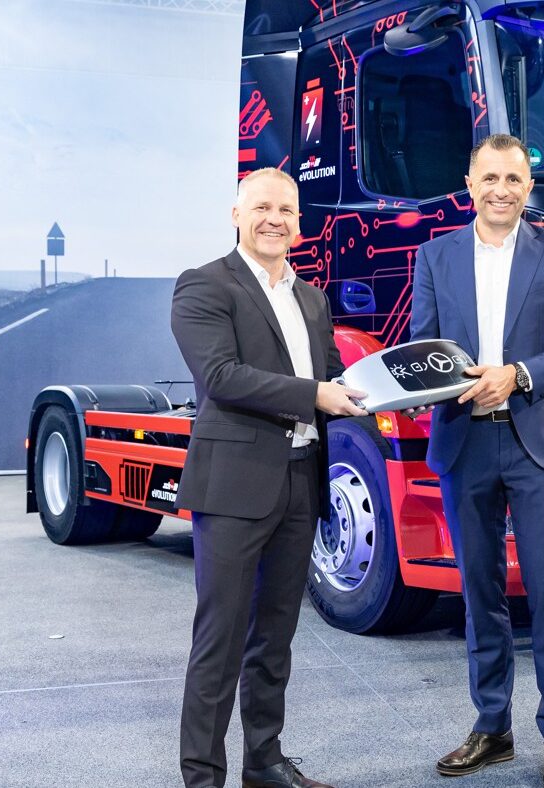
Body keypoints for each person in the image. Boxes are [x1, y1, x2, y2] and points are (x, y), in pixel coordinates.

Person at [410, 134, 544, 787]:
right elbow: (423, 347)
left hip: (537, 442)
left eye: (513, 179)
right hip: (464, 440)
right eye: (489, 178)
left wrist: (515, 375)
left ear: (528, 186)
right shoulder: (434, 255)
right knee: (480, 591)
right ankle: (492, 727)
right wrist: (420, 386)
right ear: (469, 184)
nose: (500, 190)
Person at [171, 167, 366, 788]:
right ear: (236, 215)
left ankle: (264, 761)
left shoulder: (312, 298)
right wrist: (316, 394)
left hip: (301, 481)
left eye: (285, 210)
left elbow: (335, 377)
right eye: (261, 208)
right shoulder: (204, 285)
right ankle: (203, 777)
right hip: (234, 486)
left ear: (300, 224)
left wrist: (395, 390)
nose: (274, 219)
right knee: (220, 641)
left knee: (275, 636)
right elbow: (221, 377)